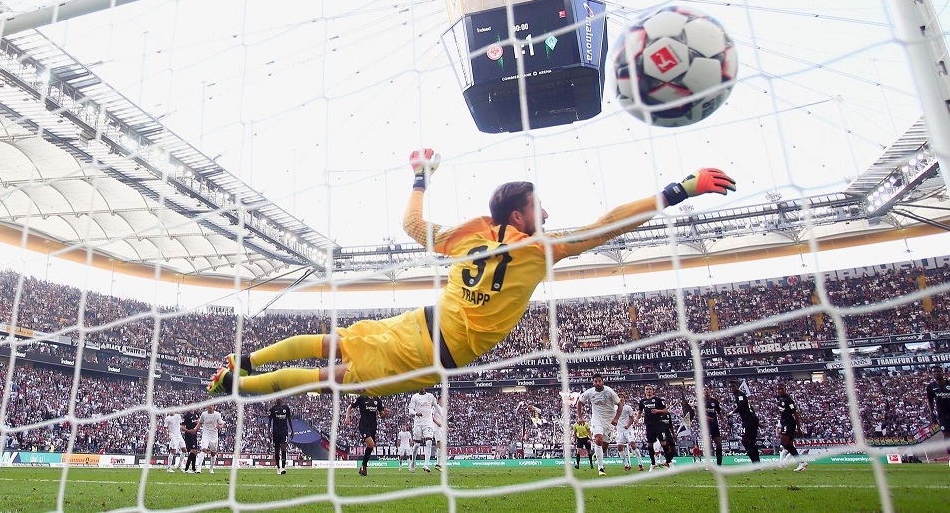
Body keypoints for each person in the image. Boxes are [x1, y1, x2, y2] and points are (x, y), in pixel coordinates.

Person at [207, 150, 736, 397]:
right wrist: (677, 190)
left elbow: (412, 223)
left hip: (419, 321)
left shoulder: (469, 236)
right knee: (331, 379)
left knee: (331, 343)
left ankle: (245, 361)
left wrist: (420, 175)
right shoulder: (540, 250)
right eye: (539, 207)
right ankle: (237, 383)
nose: (546, 215)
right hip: (431, 351)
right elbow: (606, 227)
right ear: (518, 216)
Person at [577, 373, 621, 476]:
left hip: (609, 421)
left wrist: (616, 418)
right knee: (598, 440)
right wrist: (580, 417)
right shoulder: (590, 392)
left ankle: (597, 455)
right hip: (597, 419)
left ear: (603, 382)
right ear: (593, 383)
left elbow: (620, 405)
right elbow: (579, 402)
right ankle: (601, 468)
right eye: (595, 381)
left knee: (604, 446)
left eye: (599, 381)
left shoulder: (609, 392)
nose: (597, 383)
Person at [345, 394, 388, 476]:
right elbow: (350, 407)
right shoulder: (361, 398)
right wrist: (347, 417)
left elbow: (382, 415)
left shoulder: (377, 400)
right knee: (371, 445)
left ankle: (363, 466)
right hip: (364, 426)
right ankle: (364, 466)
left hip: (373, 427)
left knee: (370, 447)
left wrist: (385, 414)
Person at [638, 385, 675, 471]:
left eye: (650, 389)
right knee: (649, 444)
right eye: (647, 389)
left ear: (653, 391)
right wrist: (637, 418)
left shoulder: (658, 400)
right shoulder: (643, 401)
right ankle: (653, 464)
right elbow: (640, 412)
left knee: (663, 443)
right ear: (644, 391)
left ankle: (669, 462)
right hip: (649, 425)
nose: (648, 391)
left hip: (658, 424)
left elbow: (666, 411)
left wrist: (658, 411)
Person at [409, 387, 441, 473]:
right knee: (416, 445)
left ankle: (426, 465)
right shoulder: (414, 397)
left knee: (429, 442)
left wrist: (442, 416)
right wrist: (416, 413)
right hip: (418, 423)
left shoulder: (430, 396)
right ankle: (413, 462)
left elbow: (436, 406)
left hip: (428, 423)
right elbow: (410, 410)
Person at [777, 383, 807, 472]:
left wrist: (798, 428)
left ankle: (801, 462)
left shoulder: (788, 400)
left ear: (785, 389)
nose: (780, 391)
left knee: (784, 442)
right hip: (784, 423)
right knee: (788, 444)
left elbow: (795, 414)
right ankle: (801, 463)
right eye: (778, 389)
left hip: (789, 423)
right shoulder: (779, 398)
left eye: (782, 389)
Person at [728, 379, 760, 463]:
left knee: (745, 440)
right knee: (751, 442)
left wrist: (732, 412)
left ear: (737, 387)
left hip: (748, 420)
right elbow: (750, 407)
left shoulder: (739, 395)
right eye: (730, 387)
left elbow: (741, 406)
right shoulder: (739, 395)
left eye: (733, 386)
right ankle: (757, 463)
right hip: (751, 419)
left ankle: (755, 462)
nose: (731, 388)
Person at [612, 391, 643, 472]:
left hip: (628, 429)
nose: (620, 398)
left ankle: (640, 464)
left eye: (622, 397)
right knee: (619, 448)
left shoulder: (628, 408)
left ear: (624, 399)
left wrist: (628, 425)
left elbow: (632, 418)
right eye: (619, 397)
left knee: (632, 445)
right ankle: (626, 465)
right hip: (619, 431)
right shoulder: (614, 408)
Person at [925, 366, 950, 460]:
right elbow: (930, 401)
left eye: (938, 371)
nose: (936, 373)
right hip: (942, 414)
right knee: (946, 435)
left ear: (942, 372)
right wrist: (932, 413)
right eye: (934, 372)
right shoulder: (931, 387)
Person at [268, 398, 295, 475]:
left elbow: (289, 419)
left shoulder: (286, 408)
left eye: (281, 398)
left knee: (284, 448)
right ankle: (278, 467)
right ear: (276, 400)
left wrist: (292, 430)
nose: (279, 399)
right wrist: (269, 431)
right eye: (278, 398)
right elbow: (270, 421)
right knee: (277, 450)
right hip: (276, 432)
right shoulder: (273, 409)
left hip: (284, 431)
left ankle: (283, 467)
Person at [198, 404, 225, 474]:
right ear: (207, 407)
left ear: (214, 407)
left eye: (212, 405)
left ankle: (211, 468)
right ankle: (199, 468)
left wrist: (220, 426)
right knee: (203, 449)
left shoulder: (217, 415)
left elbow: (221, 424)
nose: (210, 407)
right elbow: (200, 423)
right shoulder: (203, 414)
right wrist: (195, 429)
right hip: (205, 434)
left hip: (214, 435)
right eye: (209, 405)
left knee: (213, 453)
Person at [182, 408, 200, 473]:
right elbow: (182, 427)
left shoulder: (196, 414)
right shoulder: (186, 416)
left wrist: (198, 423)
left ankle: (193, 468)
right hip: (189, 434)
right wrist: (189, 431)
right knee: (193, 450)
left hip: (195, 434)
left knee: (195, 451)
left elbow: (200, 421)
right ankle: (186, 468)